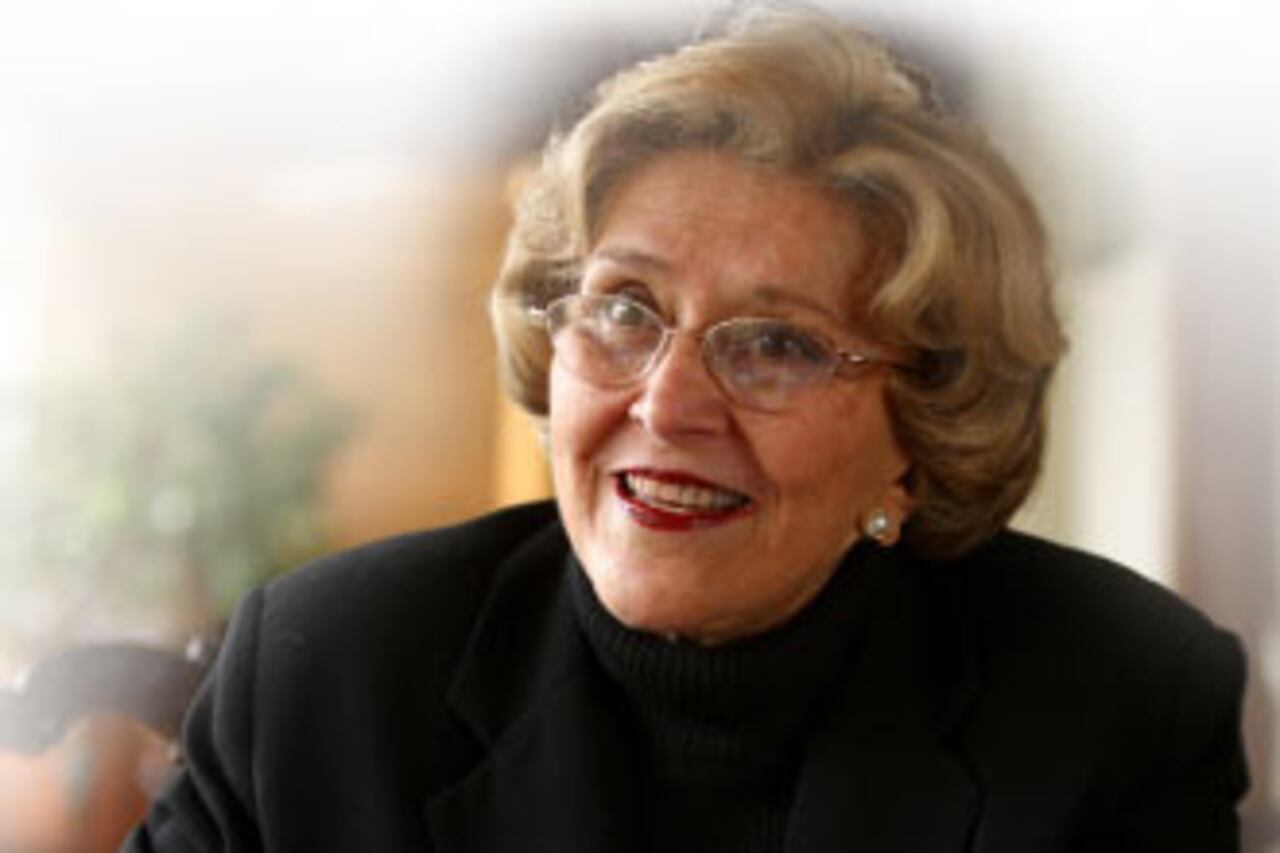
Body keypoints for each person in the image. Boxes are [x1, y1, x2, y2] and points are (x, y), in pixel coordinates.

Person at [126, 8, 1249, 852]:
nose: (665, 405)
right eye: (624, 310)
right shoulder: (325, 676)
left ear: (921, 432)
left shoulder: (1116, 702)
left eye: (776, 345)